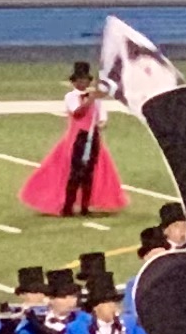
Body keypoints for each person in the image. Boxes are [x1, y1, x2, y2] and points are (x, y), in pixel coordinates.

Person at [16, 60, 124, 219]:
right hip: (77, 138)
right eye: (79, 80)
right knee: (75, 173)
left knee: (89, 173)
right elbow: (78, 113)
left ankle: (85, 207)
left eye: (85, 80)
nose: (82, 83)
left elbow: (102, 118)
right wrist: (91, 99)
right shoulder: (72, 97)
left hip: (92, 137)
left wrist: (100, 122)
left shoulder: (95, 98)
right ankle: (68, 206)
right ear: (74, 82)